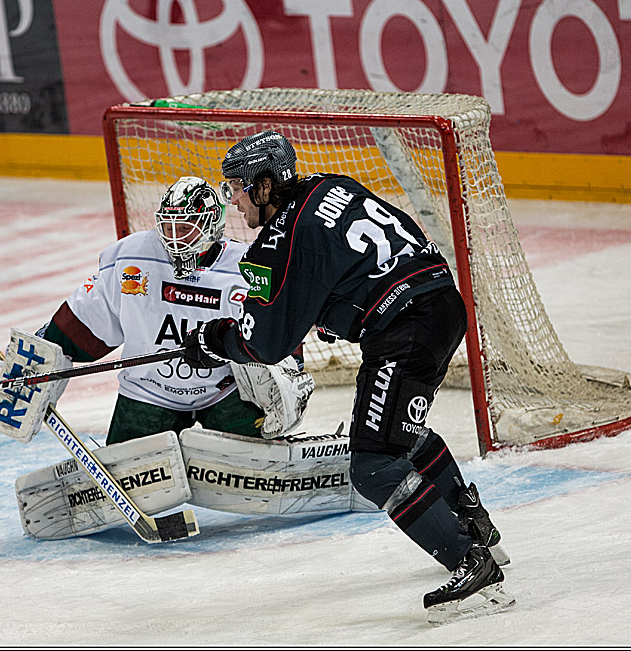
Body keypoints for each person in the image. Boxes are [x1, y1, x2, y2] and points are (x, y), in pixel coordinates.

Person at [182, 131, 514, 623]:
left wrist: (214, 343)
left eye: (238, 186)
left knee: (374, 466)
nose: (232, 198)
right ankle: (475, 527)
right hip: (441, 301)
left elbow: (265, 344)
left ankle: (470, 559)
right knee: (400, 435)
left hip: (405, 327)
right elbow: (364, 256)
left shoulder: (277, 242)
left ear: (267, 185)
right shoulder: (330, 187)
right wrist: (340, 310)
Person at [37, 175, 267, 444]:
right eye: (168, 228)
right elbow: (90, 317)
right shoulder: (133, 257)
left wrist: (287, 369)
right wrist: (44, 349)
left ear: (211, 224)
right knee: (129, 470)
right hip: (148, 390)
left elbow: (271, 327)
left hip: (226, 391)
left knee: (255, 466)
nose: (173, 239)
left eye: (183, 228)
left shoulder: (245, 268)